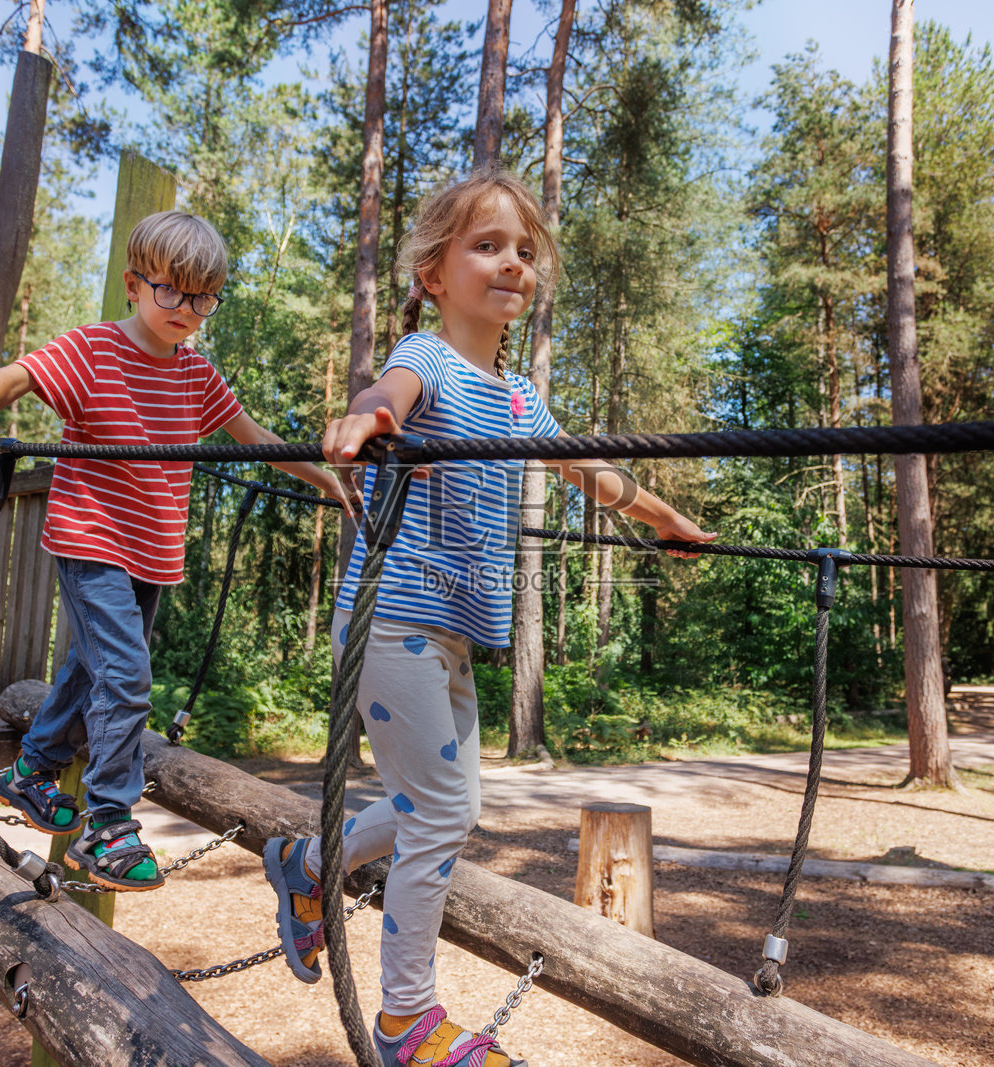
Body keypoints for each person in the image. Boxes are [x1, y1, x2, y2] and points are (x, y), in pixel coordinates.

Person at [262, 171, 715, 1066]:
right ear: (433, 271)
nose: (512, 263)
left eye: (524, 251)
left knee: (448, 804)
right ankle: (406, 1022)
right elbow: (381, 395)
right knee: (439, 815)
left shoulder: (519, 402)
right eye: (487, 245)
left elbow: (593, 473)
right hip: (390, 616)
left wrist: (664, 518)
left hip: (453, 632)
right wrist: (363, 425)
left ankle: (309, 866)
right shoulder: (425, 358)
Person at [0, 210, 351, 891]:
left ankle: (32, 768)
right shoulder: (94, 350)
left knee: (88, 668)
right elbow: (14, 379)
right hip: (92, 540)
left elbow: (259, 439)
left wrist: (336, 485)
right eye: (172, 290)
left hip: (153, 552)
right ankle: (107, 822)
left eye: (203, 296)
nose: (186, 309)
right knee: (128, 675)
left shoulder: (196, 375)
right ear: (136, 285)